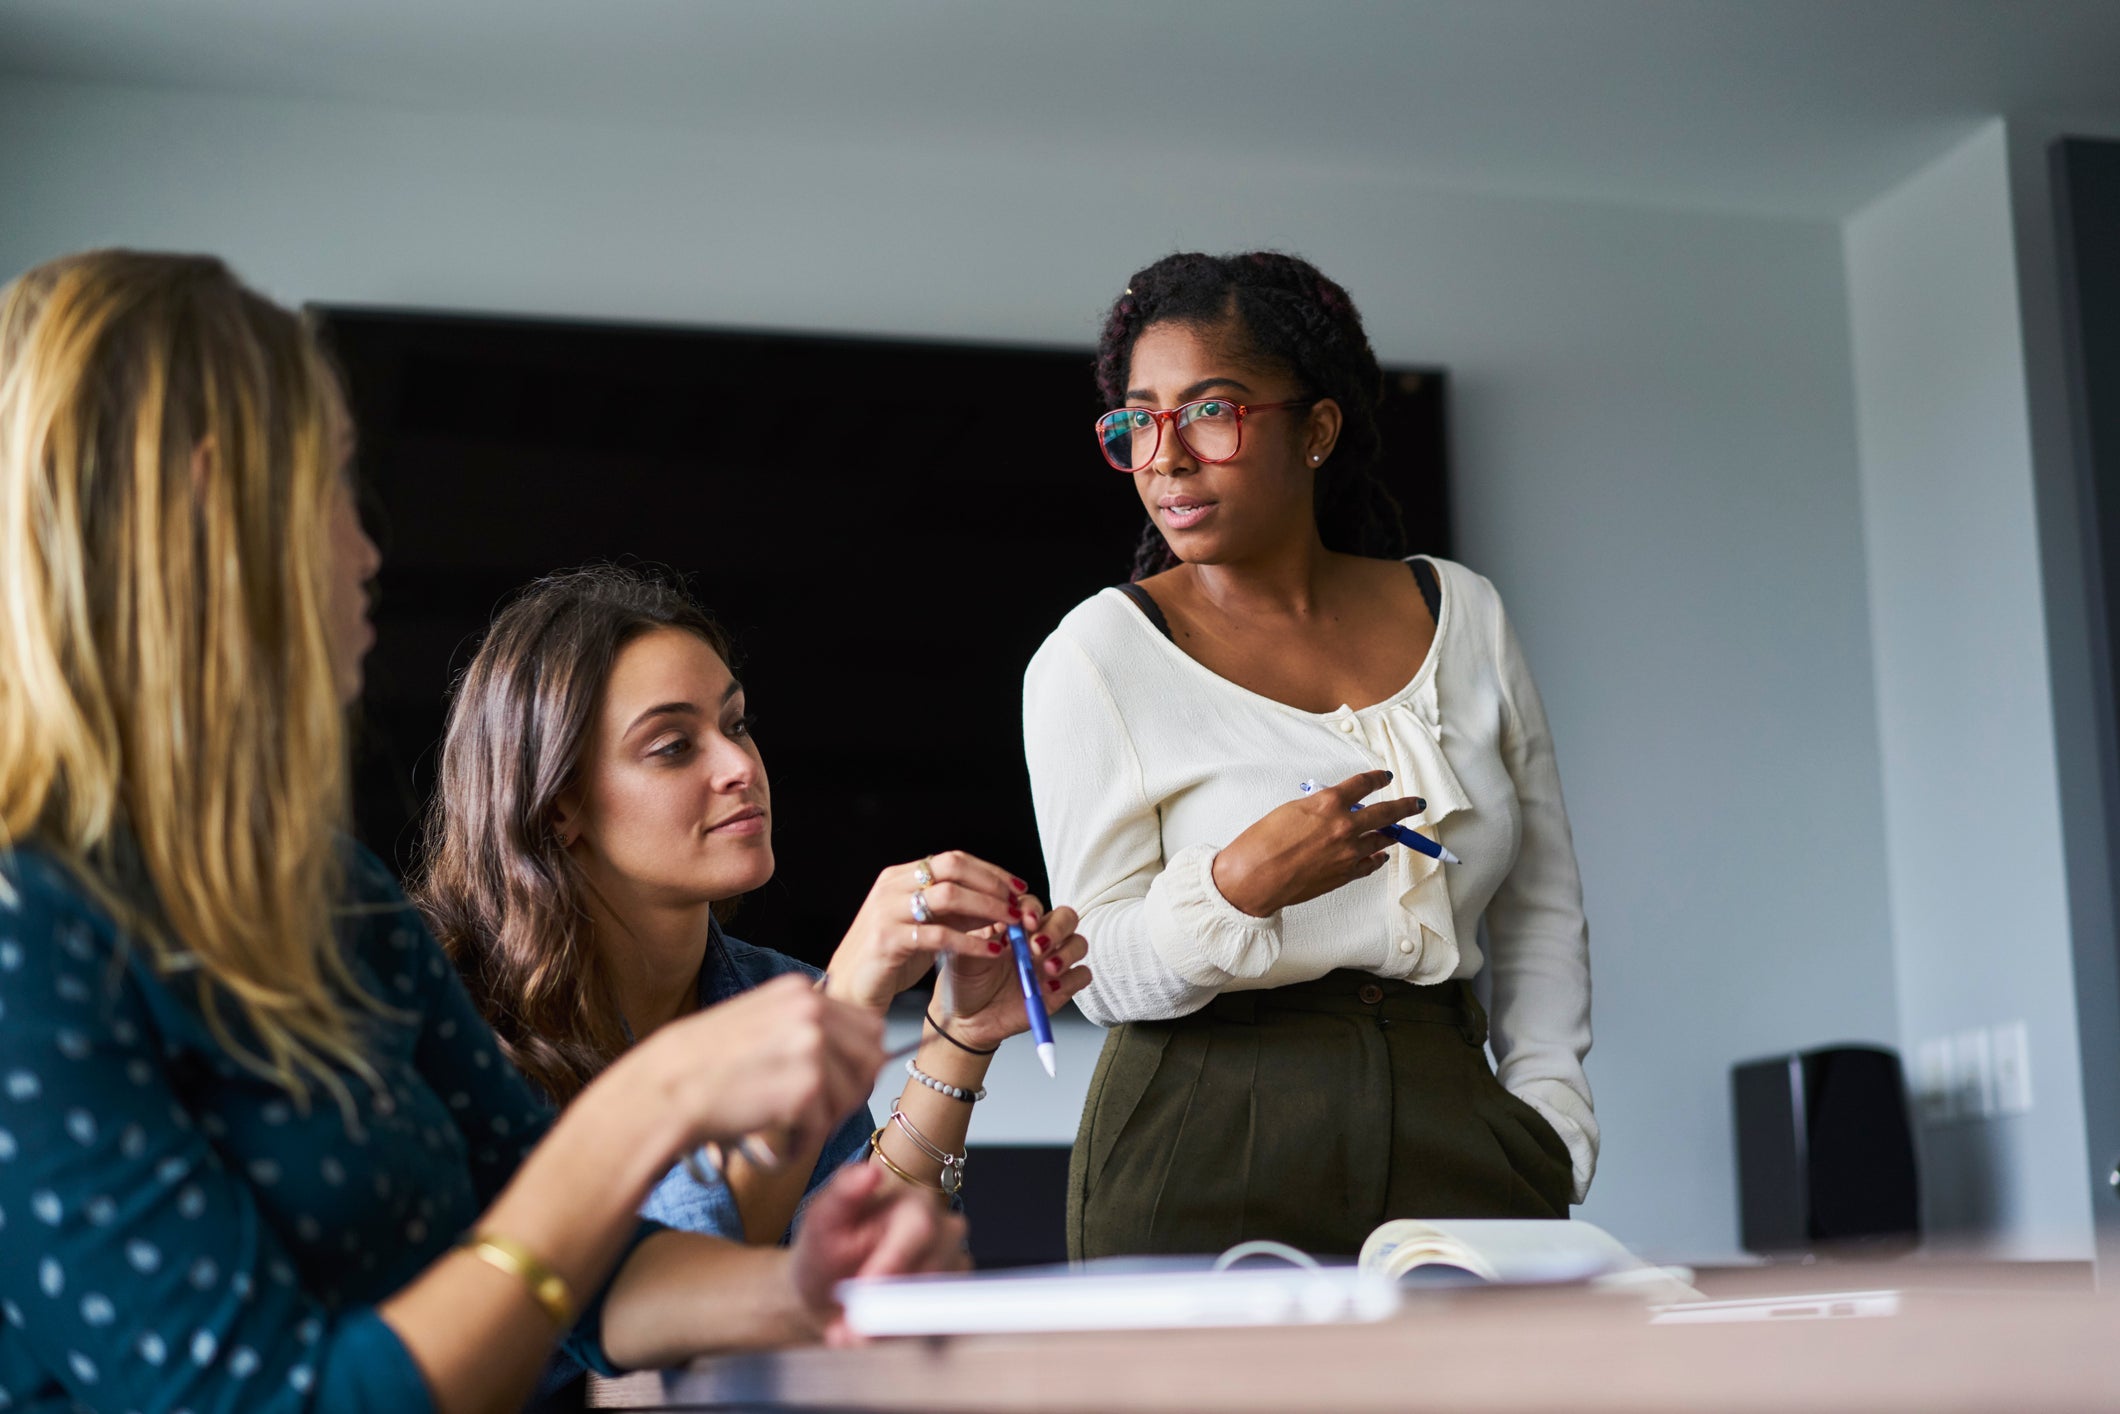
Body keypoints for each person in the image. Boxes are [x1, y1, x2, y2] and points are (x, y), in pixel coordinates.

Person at [0, 249, 960, 1414]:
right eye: (333, 485)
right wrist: (648, 1105)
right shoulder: (27, 932)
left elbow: (584, 1281)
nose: (366, 548)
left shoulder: (334, 900)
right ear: (213, 505)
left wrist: (804, 1285)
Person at [1024, 250, 1596, 1260]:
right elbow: (1094, 975)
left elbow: (1539, 899)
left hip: (1456, 1120)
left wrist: (1549, 1110)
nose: (1165, 456)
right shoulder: (1095, 657)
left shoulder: (1461, 611)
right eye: (1138, 420)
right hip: (1201, 1134)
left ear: (1317, 429)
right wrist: (1235, 887)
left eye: (1209, 410)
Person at [414, 565, 1091, 1254]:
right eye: (673, 747)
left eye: (736, 725)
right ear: (560, 806)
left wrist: (959, 1036)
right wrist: (845, 1007)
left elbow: (844, 1274)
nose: (739, 766)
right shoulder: (442, 1016)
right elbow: (658, 1301)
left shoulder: (774, 994)